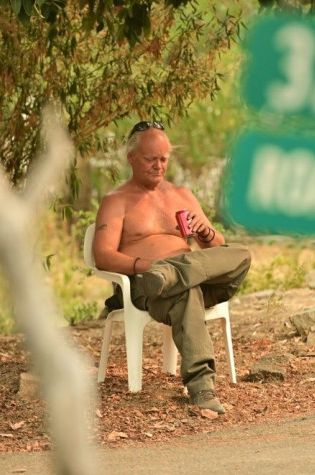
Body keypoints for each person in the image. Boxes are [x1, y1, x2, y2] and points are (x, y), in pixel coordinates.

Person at [92, 120, 251, 414]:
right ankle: (202, 389)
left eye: (163, 159)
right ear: (131, 158)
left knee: (240, 254)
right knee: (186, 291)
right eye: (150, 159)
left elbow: (215, 249)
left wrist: (207, 234)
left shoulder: (182, 195)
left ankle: (172, 273)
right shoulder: (116, 200)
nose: (158, 166)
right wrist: (146, 265)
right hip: (146, 284)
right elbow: (102, 256)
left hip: (187, 277)